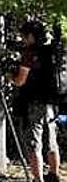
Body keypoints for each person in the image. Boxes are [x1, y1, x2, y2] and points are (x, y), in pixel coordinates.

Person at [12, 20, 61, 182]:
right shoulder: (51, 51)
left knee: (35, 143)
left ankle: (37, 179)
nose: (22, 40)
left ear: (30, 36)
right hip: (52, 102)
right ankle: (54, 175)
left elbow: (20, 80)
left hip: (34, 102)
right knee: (51, 141)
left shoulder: (29, 53)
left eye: (23, 37)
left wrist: (10, 76)